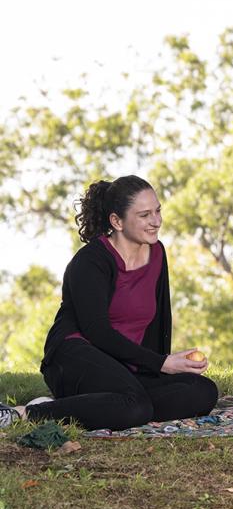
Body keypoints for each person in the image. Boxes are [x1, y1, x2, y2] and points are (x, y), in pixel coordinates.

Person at [1, 176, 218, 431]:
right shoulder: (90, 261)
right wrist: (161, 362)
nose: (156, 221)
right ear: (117, 221)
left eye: (158, 211)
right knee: (135, 406)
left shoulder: (157, 252)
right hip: (74, 356)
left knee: (202, 391)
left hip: (123, 363)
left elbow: (159, 322)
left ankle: (97, 405)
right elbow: (97, 331)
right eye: (145, 215)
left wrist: (158, 366)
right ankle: (26, 413)